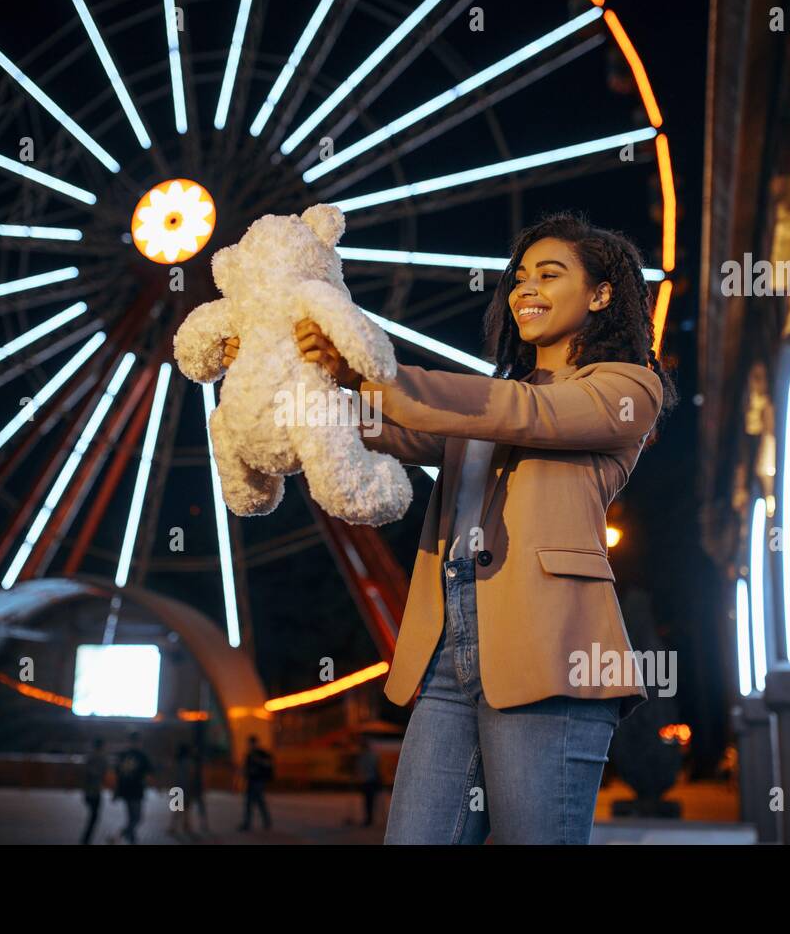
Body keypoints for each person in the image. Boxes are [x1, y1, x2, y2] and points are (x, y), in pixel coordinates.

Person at [222, 210, 677, 844]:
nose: (526, 289)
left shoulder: (628, 390)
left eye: (550, 274)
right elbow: (390, 424)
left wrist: (369, 369)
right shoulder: (489, 402)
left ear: (602, 295)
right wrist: (284, 374)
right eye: (519, 277)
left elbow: (528, 414)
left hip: (549, 652)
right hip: (446, 651)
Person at [111, 732, 153, 844]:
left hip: (126, 790)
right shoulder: (142, 756)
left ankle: (131, 838)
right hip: (136, 790)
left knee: (132, 817)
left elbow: (118, 773)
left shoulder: (123, 755)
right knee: (137, 818)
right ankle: (120, 835)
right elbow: (150, 772)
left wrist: (116, 790)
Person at [236, 735, 274, 831]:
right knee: (259, 803)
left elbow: (269, 764)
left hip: (259, 781)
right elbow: (246, 768)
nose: (250, 745)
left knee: (251, 803)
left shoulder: (262, 753)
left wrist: (259, 762)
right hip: (251, 781)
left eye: (251, 743)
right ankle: (266, 822)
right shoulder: (249, 755)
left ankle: (248, 823)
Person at [166, 742, 202, 839]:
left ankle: (175, 826)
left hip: (177, 788)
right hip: (186, 788)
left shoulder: (177, 761)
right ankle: (185, 826)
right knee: (185, 809)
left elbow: (172, 774)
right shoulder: (190, 762)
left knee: (177, 809)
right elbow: (192, 775)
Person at [80, 737, 109, 845]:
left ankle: (86, 839)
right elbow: (101, 773)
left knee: (93, 816)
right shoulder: (101, 758)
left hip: (88, 791)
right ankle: (86, 840)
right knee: (94, 817)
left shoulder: (89, 757)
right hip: (94, 791)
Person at [355, 737, 381, 827]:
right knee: (370, 801)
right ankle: (370, 818)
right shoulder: (372, 756)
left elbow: (361, 768)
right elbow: (376, 767)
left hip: (367, 781)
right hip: (372, 780)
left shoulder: (363, 756)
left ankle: (369, 819)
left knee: (368, 801)